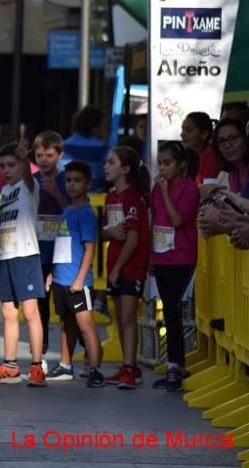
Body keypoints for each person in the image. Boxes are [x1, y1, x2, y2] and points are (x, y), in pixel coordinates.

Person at [0, 140, 47, 387]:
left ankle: (37, 366)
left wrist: (24, 158)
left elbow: (29, 179)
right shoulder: (6, 192)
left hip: (25, 254)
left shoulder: (28, 186)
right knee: (8, 311)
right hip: (7, 256)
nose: (7, 170)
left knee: (30, 312)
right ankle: (9, 365)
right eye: (3, 166)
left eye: (12, 165)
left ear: (22, 165)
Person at [46, 161, 104, 387]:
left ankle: (95, 369)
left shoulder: (86, 213)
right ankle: (65, 365)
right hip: (61, 278)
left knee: (86, 326)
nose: (71, 185)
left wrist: (80, 279)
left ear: (87, 183)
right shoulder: (67, 210)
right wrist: (52, 272)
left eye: (77, 180)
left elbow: (90, 248)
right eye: (68, 180)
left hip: (77, 282)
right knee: (66, 323)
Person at [151, 141, 199, 392]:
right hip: (161, 256)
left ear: (181, 165)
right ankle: (177, 365)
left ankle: (173, 365)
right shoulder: (157, 189)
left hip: (181, 255)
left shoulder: (189, 188)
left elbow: (177, 219)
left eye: (167, 163)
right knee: (169, 309)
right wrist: (150, 256)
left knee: (171, 308)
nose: (163, 168)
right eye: (160, 163)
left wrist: (167, 191)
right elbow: (154, 220)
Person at [103, 145, 151, 390]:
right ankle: (126, 364)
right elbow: (107, 230)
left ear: (126, 168)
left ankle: (131, 368)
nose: (105, 167)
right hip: (115, 265)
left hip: (130, 267)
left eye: (111, 162)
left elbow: (132, 238)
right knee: (119, 318)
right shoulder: (111, 196)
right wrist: (108, 231)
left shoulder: (132, 197)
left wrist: (117, 269)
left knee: (128, 318)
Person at [32, 131, 68, 370]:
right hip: (38, 249)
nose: (44, 159)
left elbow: (72, 208)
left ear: (59, 155)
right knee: (40, 303)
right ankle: (41, 352)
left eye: (49, 155)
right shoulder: (31, 181)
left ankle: (73, 355)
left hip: (62, 250)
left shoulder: (68, 180)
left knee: (65, 304)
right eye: (39, 155)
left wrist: (56, 193)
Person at [62, 106, 109, 192]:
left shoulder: (63, 146)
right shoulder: (103, 149)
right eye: (104, 125)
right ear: (95, 126)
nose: (107, 129)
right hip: (96, 198)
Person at [180, 112, 219, 185]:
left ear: (204, 134)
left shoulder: (209, 153)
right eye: (182, 129)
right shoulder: (193, 155)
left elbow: (209, 188)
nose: (182, 134)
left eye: (188, 130)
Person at [213, 118, 249, 195]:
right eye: (222, 141)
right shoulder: (227, 175)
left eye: (232, 138)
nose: (227, 145)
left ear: (245, 139)